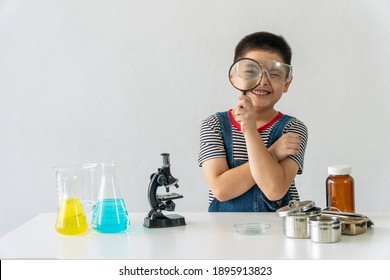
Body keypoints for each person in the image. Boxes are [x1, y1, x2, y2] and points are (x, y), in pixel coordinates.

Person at [198, 31, 308, 212]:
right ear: (233, 77)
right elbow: (221, 190)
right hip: (226, 235)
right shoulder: (214, 125)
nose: (263, 81)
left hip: (278, 233)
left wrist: (249, 130)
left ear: (287, 83)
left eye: (275, 74)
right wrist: (272, 154)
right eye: (251, 71)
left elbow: (275, 190)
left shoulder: (292, 129)